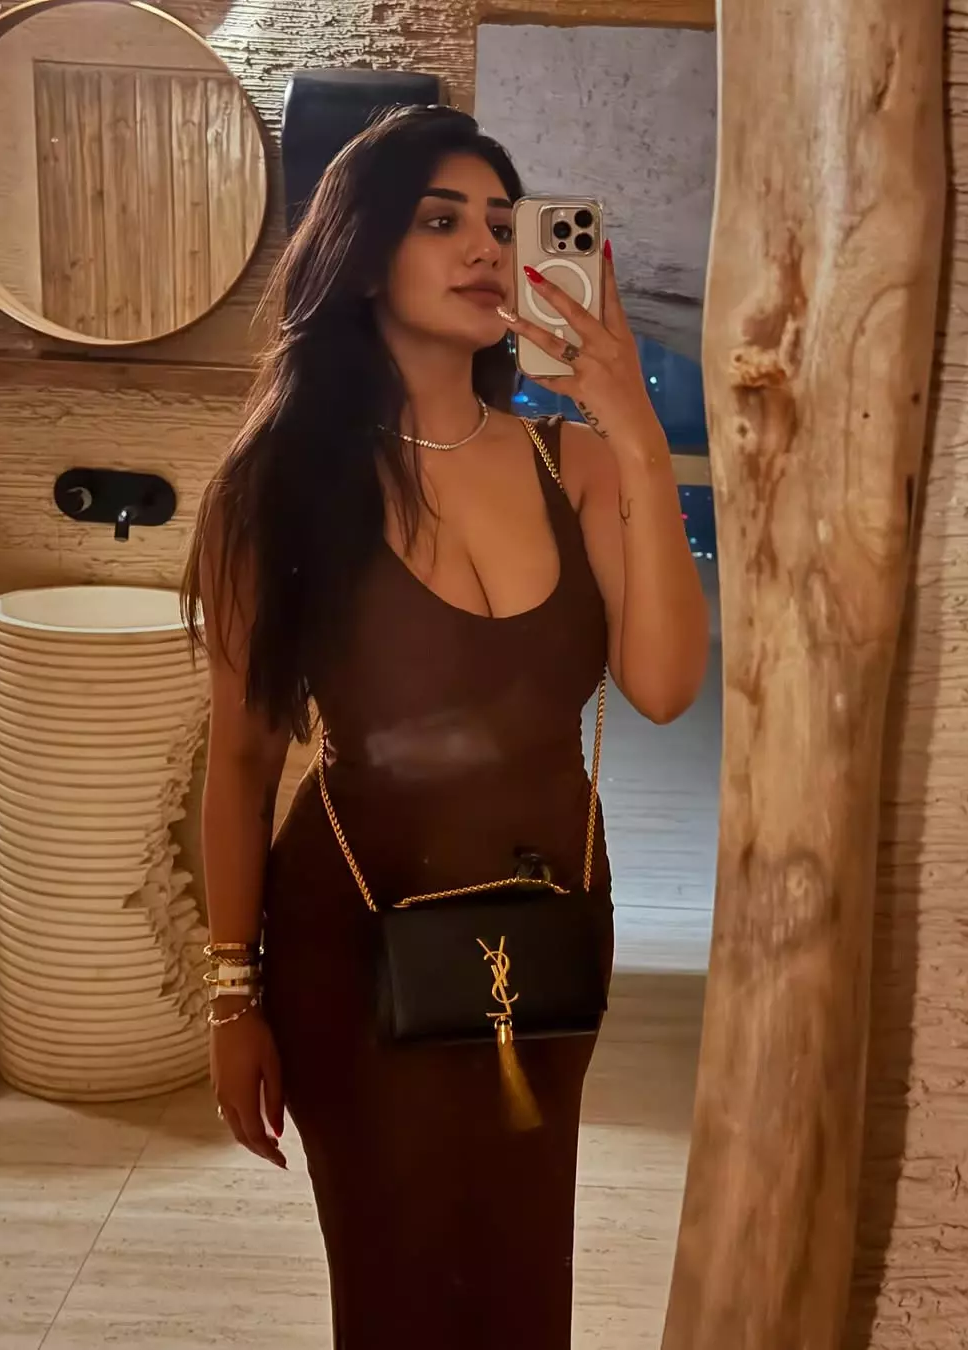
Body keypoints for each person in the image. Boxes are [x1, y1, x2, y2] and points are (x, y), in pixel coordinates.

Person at [182, 103, 708, 1350]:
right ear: (365, 256)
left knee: (522, 1277)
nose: (485, 247)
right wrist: (230, 998)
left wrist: (634, 427)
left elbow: (665, 684)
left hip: (547, 934)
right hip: (353, 941)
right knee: (397, 1286)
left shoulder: (575, 464)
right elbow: (242, 761)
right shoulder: (281, 484)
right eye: (440, 220)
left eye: (503, 224)